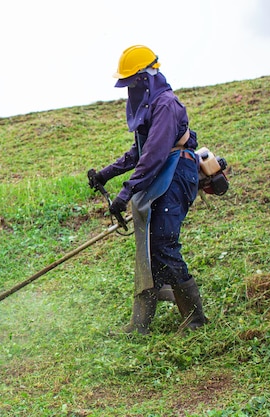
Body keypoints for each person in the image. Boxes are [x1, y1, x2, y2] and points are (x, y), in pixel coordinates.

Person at [88, 45, 208, 334]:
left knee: (164, 242)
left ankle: (195, 319)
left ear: (146, 76)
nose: (130, 88)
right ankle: (140, 324)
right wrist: (106, 174)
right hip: (161, 173)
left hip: (177, 172)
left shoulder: (166, 104)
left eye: (133, 81)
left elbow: (154, 154)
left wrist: (126, 192)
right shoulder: (149, 105)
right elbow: (138, 151)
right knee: (149, 247)